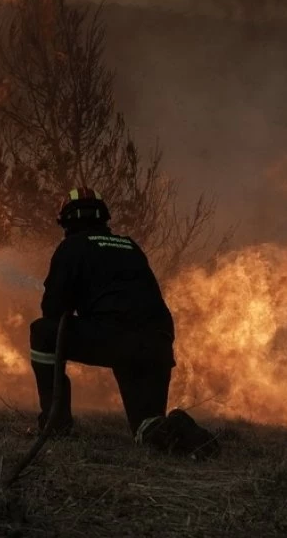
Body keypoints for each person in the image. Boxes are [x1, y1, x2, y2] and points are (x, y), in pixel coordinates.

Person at [27, 187, 218, 459]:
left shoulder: (71, 247)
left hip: (115, 339)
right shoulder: (130, 245)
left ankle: (55, 424)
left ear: (66, 221)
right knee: (147, 428)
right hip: (157, 344)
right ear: (104, 218)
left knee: (43, 332)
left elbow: (53, 312)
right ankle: (182, 431)